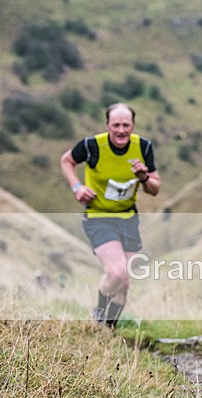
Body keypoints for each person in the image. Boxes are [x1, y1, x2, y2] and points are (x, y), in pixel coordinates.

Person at [60, 102, 161, 327]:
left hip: (128, 218)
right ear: (107, 125)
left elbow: (154, 188)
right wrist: (77, 187)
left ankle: (108, 328)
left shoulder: (143, 147)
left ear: (133, 125)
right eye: (116, 125)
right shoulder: (91, 145)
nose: (121, 130)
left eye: (126, 125)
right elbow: (66, 160)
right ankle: (98, 314)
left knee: (124, 283)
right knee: (117, 274)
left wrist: (144, 177)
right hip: (98, 216)